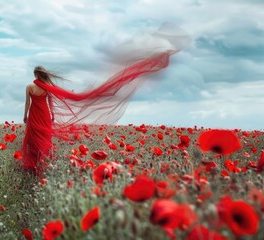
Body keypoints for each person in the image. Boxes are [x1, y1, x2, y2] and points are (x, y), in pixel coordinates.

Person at [21, 24, 190, 176]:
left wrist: (25, 117)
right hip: (44, 114)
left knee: (33, 138)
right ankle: (41, 163)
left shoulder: (30, 87)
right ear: (42, 74)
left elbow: (27, 105)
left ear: (35, 75)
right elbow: (50, 103)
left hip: (36, 114)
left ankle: (32, 164)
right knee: (43, 138)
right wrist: (51, 116)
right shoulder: (48, 88)